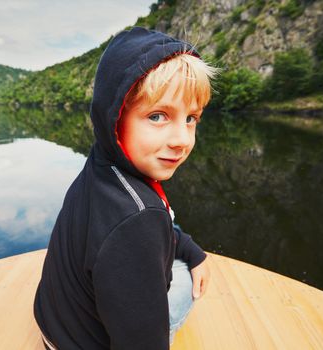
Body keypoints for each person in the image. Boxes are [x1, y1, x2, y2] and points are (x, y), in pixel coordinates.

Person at [33, 26, 217, 350]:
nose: (182, 141)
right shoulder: (139, 219)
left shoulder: (103, 163)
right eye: (158, 116)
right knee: (184, 281)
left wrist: (189, 249)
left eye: (191, 118)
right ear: (116, 117)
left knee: (179, 256)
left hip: (54, 326)